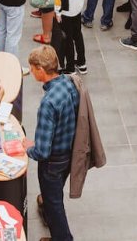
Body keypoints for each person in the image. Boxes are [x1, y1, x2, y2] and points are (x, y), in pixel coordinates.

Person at [22, 47, 80, 241]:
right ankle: (46, 206)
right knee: (52, 195)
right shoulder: (69, 82)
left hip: (53, 162)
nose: (31, 72)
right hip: (70, 151)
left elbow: (42, 151)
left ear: (40, 69)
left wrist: (27, 148)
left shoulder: (48, 103)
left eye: (32, 69)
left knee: (55, 203)